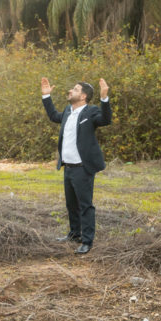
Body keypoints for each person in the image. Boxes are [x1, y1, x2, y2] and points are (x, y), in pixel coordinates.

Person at [41, 77, 111, 254]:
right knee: (71, 204)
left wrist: (104, 98)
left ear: (83, 96)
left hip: (83, 167)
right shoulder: (67, 111)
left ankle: (87, 241)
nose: (70, 91)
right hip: (68, 167)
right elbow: (53, 116)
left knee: (85, 205)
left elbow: (105, 120)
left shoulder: (91, 111)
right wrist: (46, 97)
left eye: (75, 89)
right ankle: (74, 234)